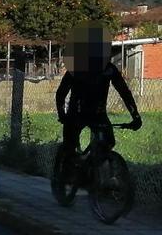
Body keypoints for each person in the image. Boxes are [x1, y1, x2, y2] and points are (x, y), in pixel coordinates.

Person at [55, 25, 143, 160]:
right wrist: (62, 114)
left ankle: (95, 168)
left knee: (107, 143)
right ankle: (68, 173)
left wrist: (135, 116)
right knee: (70, 150)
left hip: (97, 115)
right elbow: (61, 93)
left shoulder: (109, 69)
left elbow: (124, 92)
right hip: (76, 114)